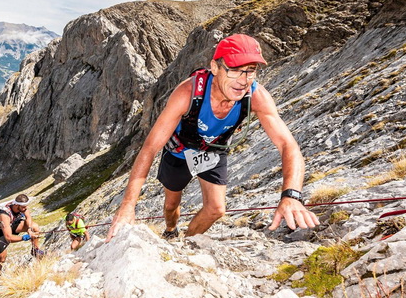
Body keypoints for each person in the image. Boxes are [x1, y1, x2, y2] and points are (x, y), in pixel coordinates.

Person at [106, 34, 319, 242]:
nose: (243, 80)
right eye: (234, 70)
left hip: (213, 150)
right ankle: (171, 229)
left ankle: (185, 242)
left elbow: (287, 144)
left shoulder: (256, 96)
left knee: (216, 209)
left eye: (251, 71)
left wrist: (291, 195)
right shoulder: (187, 93)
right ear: (215, 68)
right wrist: (127, 206)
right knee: (171, 205)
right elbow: (150, 148)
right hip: (179, 152)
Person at [0, 193, 44, 273]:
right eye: (24, 207)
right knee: (2, 258)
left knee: (34, 227)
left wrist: (29, 229)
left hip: (12, 224)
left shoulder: (22, 207)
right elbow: (9, 238)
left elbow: (28, 217)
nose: (26, 208)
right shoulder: (4, 215)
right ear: (17, 205)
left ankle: (35, 250)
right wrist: (26, 237)